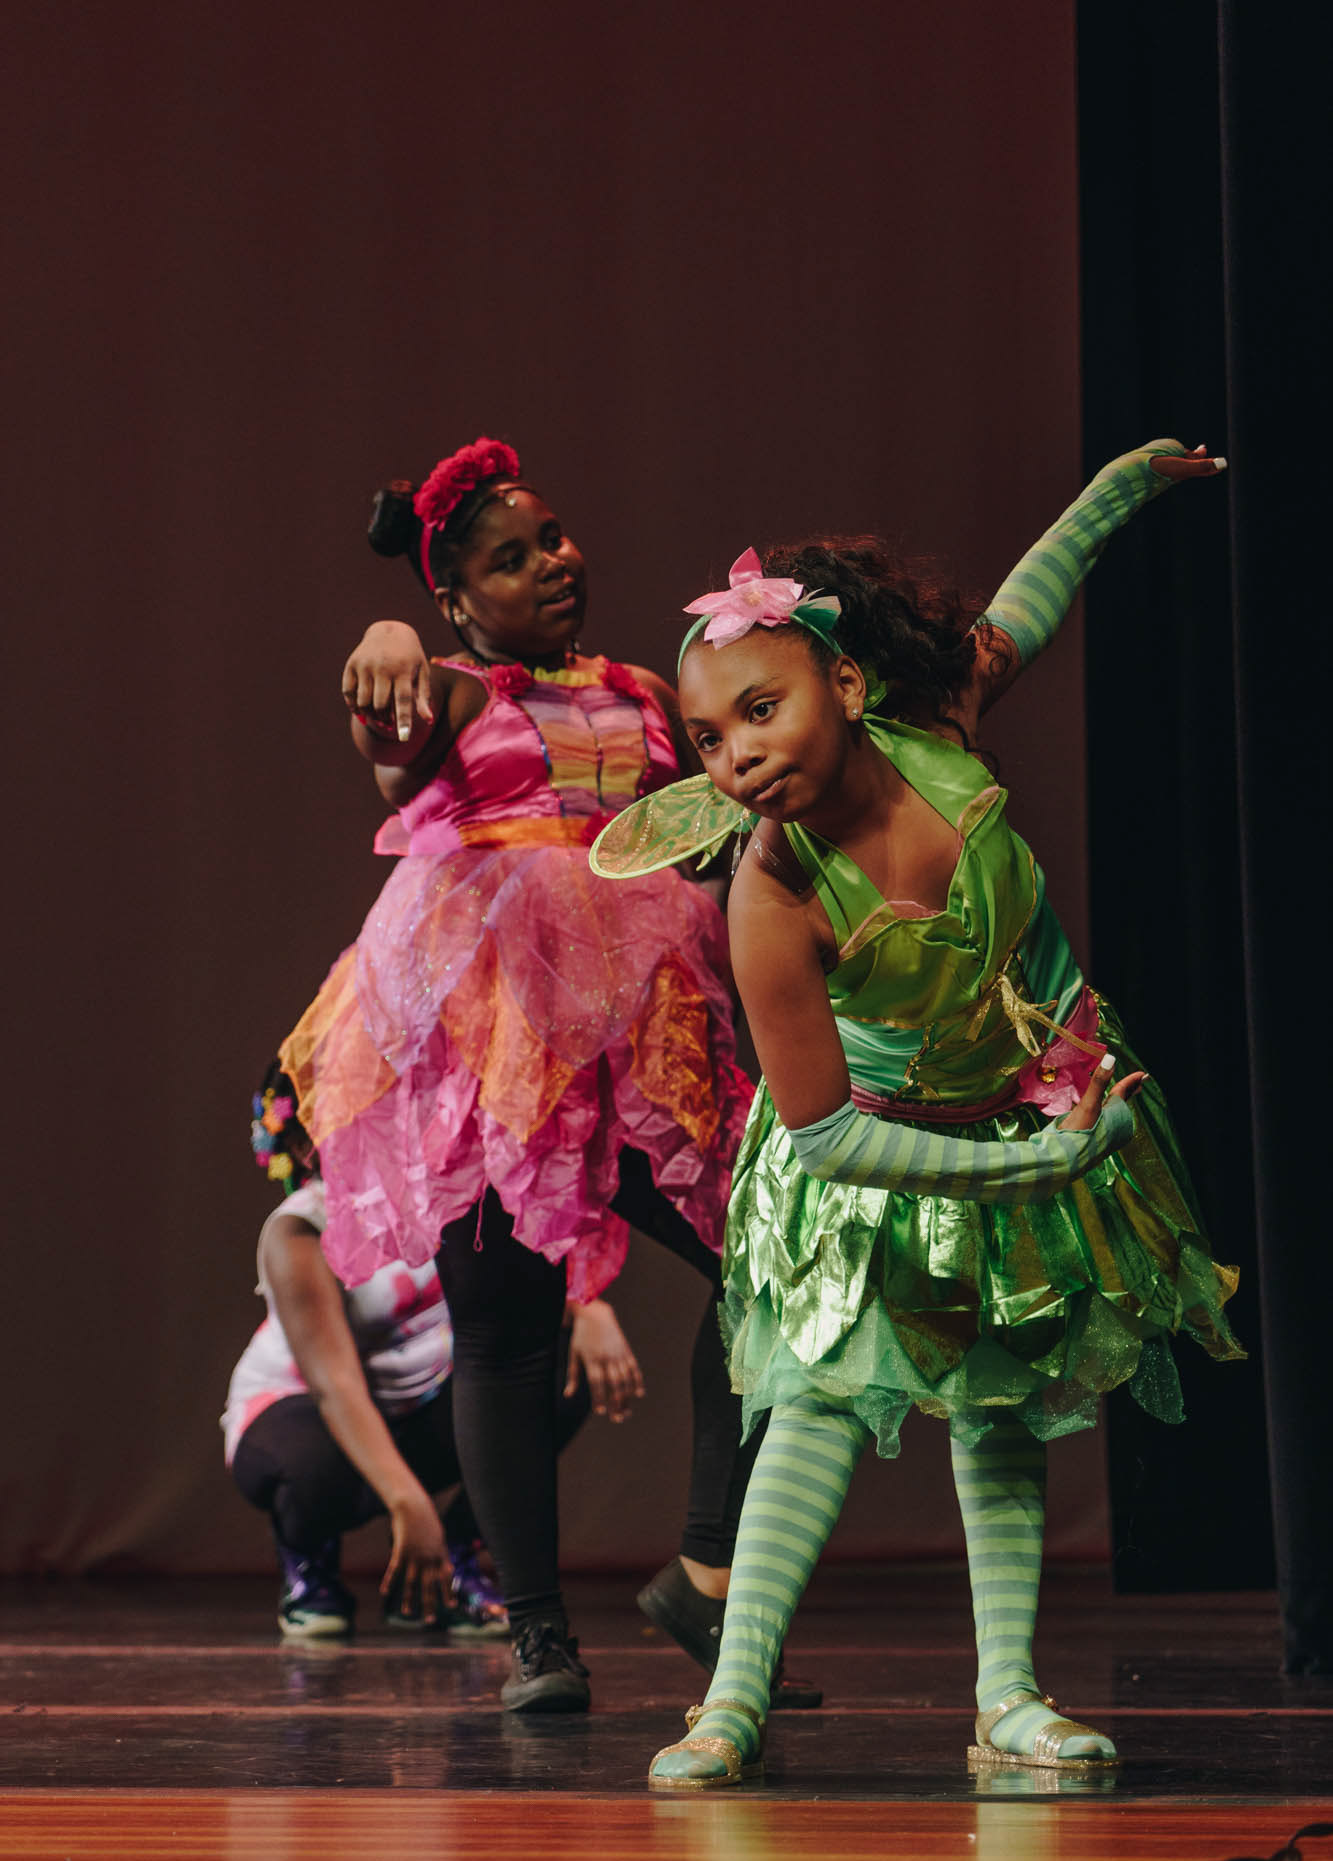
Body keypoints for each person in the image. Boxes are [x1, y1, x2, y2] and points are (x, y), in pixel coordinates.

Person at [589, 439, 1242, 1787]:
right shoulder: (771, 893)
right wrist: (1029, 1172)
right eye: (708, 739)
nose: (736, 755)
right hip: (874, 1157)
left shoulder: (937, 725)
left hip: (1023, 1101)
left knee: (1002, 1398)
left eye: (760, 710)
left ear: (846, 683)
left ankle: (1008, 1697)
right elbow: (827, 1135)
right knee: (816, 1401)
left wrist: (1120, 486)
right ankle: (730, 1703)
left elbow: (1026, 601)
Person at [279, 438, 816, 1713]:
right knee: (505, 1330)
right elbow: (391, 734)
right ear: (457, 598)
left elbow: (710, 823)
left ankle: (706, 1571)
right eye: (510, 560)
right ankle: (536, 1636)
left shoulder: (644, 691)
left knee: (775, 1268)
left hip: (640, 1045)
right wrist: (387, 641)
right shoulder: (452, 692)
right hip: (500, 1056)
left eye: (553, 537)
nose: (551, 563)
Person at [226, 1064, 603, 1639]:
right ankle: (310, 1561)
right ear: (305, 1147)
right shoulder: (299, 1230)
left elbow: (521, 1285)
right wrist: (410, 1504)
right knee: (312, 1469)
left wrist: (592, 1310)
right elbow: (335, 1386)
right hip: (307, 1408)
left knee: (560, 1367)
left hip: (417, 1403)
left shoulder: (439, 1191)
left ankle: (455, 1555)